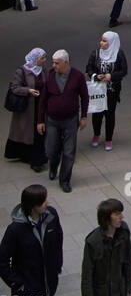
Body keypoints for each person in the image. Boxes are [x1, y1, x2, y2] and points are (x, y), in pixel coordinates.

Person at [0, 182, 62, 296]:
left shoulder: (51, 216)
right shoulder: (15, 230)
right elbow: (2, 261)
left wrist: (57, 266)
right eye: (43, 201)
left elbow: (58, 240)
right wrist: (18, 284)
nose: (47, 203)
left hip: (49, 284)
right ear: (32, 206)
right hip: (28, 291)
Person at [37, 50, 88, 193]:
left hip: (70, 120)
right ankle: (53, 166)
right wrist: (40, 120)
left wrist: (83, 116)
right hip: (52, 120)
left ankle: (64, 180)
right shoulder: (51, 76)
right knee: (51, 149)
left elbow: (84, 96)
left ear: (66, 63)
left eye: (56, 63)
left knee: (69, 151)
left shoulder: (77, 76)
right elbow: (43, 99)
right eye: (53, 63)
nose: (54, 66)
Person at [81, 198, 131, 296]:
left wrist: (130, 283)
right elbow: (87, 275)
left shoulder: (123, 232)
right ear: (106, 218)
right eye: (117, 214)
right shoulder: (93, 242)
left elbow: (129, 259)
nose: (121, 217)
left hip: (119, 291)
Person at [4, 48, 47, 170]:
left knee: (39, 132)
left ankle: (38, 159)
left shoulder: (43, 70)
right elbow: (15, 87)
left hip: (40, 105)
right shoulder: (22, 71)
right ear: (35, 59)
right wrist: (28, 91)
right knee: (28, 132)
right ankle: (30, 158)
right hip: (27, 109)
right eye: (42, 58)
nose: (44, 60)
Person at [86, 32, 127, 151]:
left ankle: (109, 138)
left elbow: (123, 71)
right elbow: (89, 68)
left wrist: (111, 76)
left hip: (112, 90)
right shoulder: (96, 53)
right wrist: (95, 75)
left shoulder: (119, 54)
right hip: (98, 90)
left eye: (105, 41)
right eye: (101, 40)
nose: (101, 43)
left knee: (110, 114)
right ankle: (96, 134)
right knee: (97, 114)